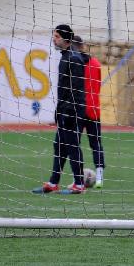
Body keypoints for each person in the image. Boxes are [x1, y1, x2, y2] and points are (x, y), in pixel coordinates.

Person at [32, 25, 91, 194]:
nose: (54, 39)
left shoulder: (73, 59)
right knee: (59, 145)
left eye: (57, 36)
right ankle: (53, 182)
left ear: (65, 39)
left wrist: (69, 111)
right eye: (54, 36)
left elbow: (76, 89)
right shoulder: (67, 56)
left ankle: (79, 184)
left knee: (72, 146)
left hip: (72, 111)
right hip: (65, 109)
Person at [67, 35, 105, 189]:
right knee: (96, 144)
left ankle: (78, 180)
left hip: (78, 109)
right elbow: (98, 85)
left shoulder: (73, 63)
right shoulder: (95, 63)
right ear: (82, 45)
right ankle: (100, 178)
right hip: (94, 109)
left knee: (74, 144)